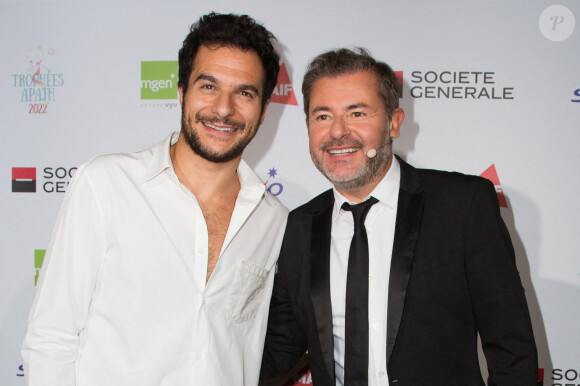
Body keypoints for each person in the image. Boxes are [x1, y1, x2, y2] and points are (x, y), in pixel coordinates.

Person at [22, 12, 287, 386]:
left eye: (245, 93)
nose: (224, 108)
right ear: (181, 93)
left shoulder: (273, 219)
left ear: (262, 112)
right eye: (208, 86)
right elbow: (51, 337)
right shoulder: (106, 184)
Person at [260, 48, 537, 385]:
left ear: (393, 122)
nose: (337, 132)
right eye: (322, 116)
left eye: (357, 113)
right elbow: (277, 351)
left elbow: (512, 349)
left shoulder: (462, 206)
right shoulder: (298, 227)